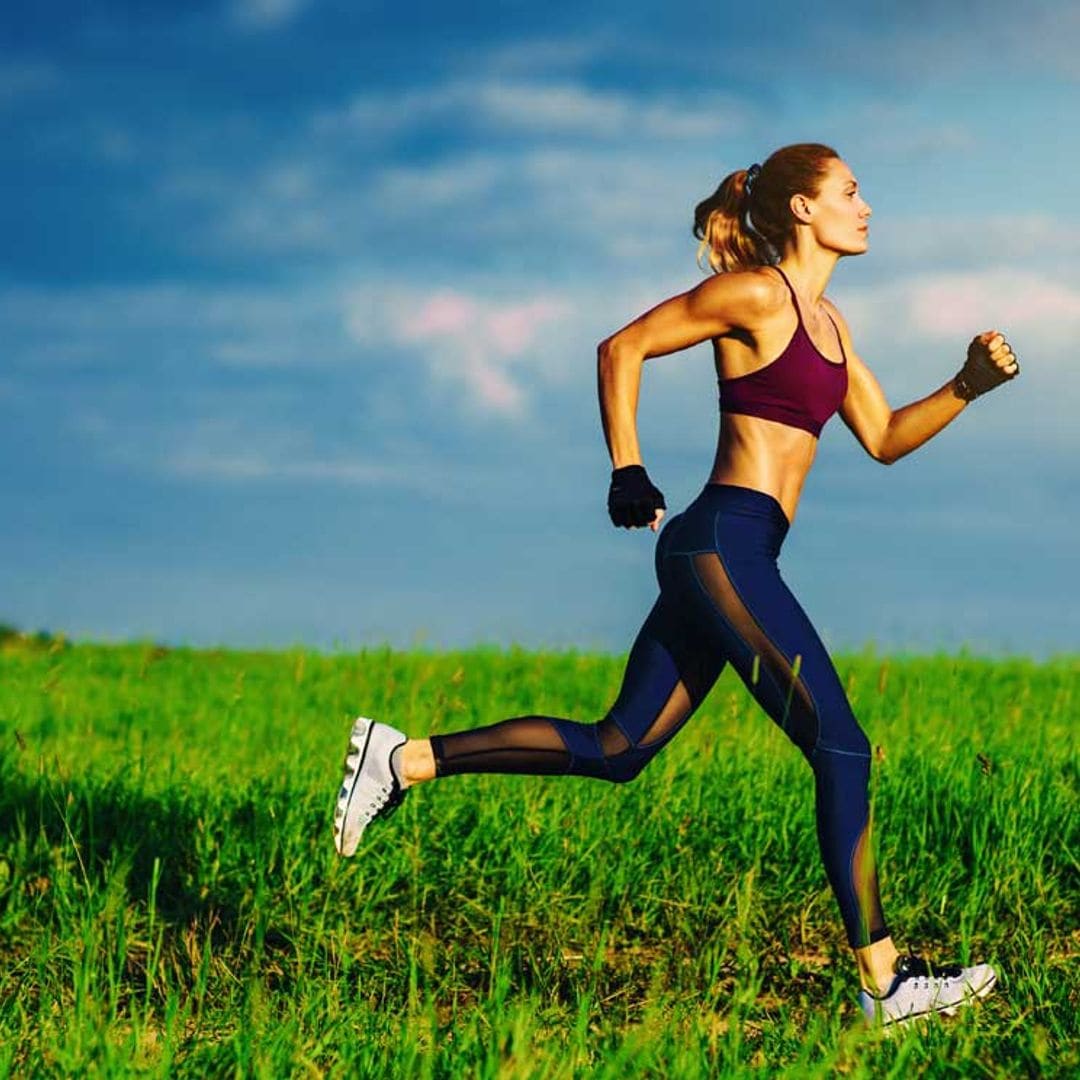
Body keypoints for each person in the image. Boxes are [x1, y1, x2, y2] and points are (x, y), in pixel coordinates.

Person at [332, 143, 1019, 1026]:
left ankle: (403, 758)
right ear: (804, 210)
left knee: (620, 749)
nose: (867, 206)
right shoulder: (757, 295)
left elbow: (883, 435)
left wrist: (966, 385)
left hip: (741, 554)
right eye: (850, 191)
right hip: (720, 545)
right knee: (841, 745)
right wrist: (628, 468)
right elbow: (623, 347)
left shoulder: (833, 327)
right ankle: (886, 983)